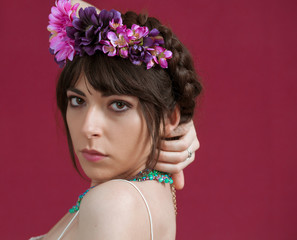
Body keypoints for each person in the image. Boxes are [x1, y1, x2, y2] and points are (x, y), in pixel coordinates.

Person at [31, 0, 202, 239]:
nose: (88, 128)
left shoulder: (113, 203)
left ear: (169, 117)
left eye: (119, 105)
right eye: (78, 101)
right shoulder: (137, 195)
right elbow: (66, 7)